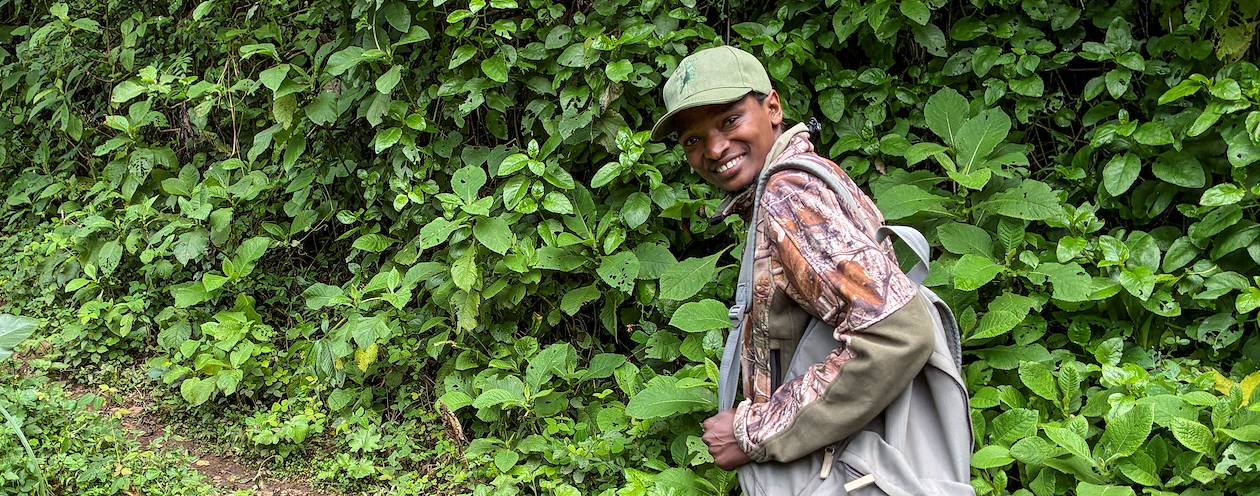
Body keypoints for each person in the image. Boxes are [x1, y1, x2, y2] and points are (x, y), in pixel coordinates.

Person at [650, 46, 938, 472]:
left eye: (730, 121)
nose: (714, 149)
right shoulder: (806, 176)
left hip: (840, 470)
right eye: (693, 140)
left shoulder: (790, 196)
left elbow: (897, 334)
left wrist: (753, 432)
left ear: (773, 108)